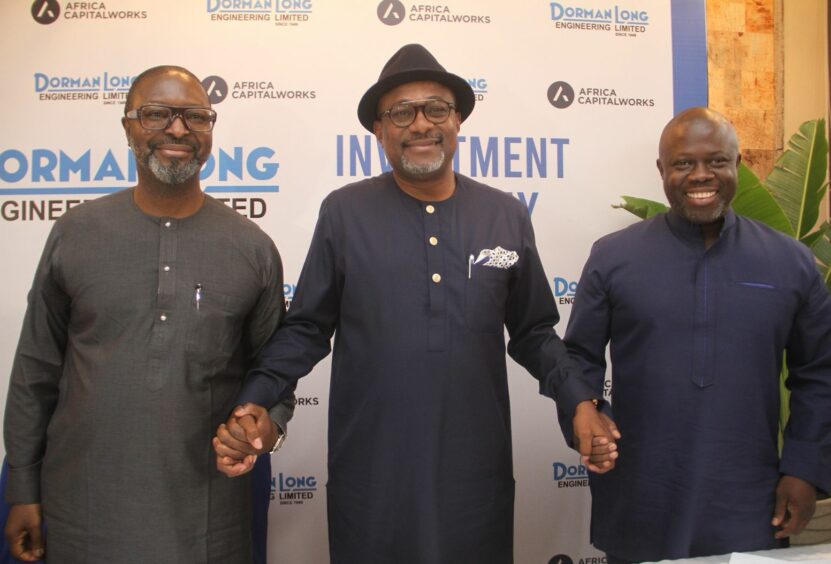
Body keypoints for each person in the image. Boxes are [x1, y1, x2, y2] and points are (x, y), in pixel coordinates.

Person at [211, 43, 615, 564]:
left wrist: (580, 401)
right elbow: (307, 328)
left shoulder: (504, 215)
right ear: (379, 130)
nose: (420, 123)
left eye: (436, 109)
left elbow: (535, 331)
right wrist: (257, 397)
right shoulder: (344, 212)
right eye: (401, 112)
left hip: (475, 467)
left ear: (459, 121)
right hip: (373, 469)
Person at [3, 65, 293, 564]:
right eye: (156, 114)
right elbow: (36, 370)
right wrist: (22, 487)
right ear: (128, 127)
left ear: (209, 130)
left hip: (207, 522)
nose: (177, 129)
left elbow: (274, 378)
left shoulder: (253, 249)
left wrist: (267, 427)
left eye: (195, 117)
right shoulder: (76, 233)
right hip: (82, 512)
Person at [561, 107, 831, 563]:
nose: (700, 175)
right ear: (662, 170)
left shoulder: (790, 262)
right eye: (683, 163)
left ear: (738, 165)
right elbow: (577, 358)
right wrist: (587, 413)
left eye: (717, 161)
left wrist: (804, 469)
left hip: (750, 497)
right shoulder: (613, 257)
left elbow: (819, 373)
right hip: (641, 493)